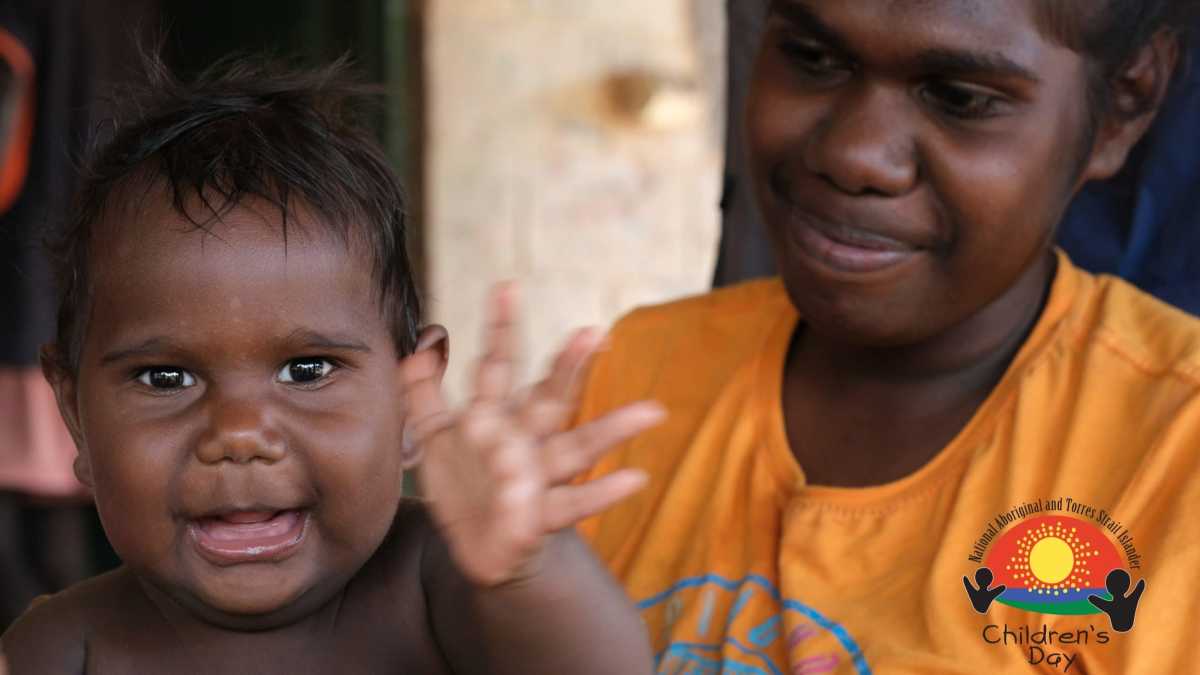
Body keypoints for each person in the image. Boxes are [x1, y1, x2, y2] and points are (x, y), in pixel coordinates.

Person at [562, 1, 1200, 672]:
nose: (853, 155)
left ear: (1123, 106)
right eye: (812, 58)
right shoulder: (637, 374)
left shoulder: (1174, 456)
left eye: (959, 98)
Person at [0, 56, 659, 674]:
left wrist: (527, 568)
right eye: (166, 378)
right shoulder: (62, 645)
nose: (239, 433)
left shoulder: (441, 583)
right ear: (75, 414)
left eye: (307, 370)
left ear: (410, 392)